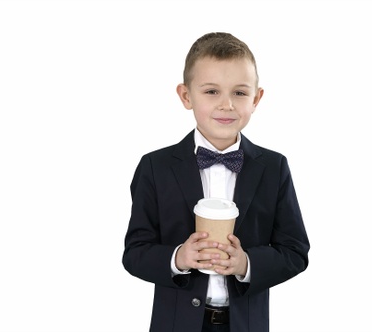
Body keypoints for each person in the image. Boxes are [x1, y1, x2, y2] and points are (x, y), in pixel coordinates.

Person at [122, 32, 310, 332]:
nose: (227, 105)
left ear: (256, 98)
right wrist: (178, 259)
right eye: (211, 92)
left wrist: (246, 264)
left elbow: (295, 251)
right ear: (186, 96)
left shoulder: (274, 167)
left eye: (239, 92)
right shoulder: (154, 166)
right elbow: (135, 252)